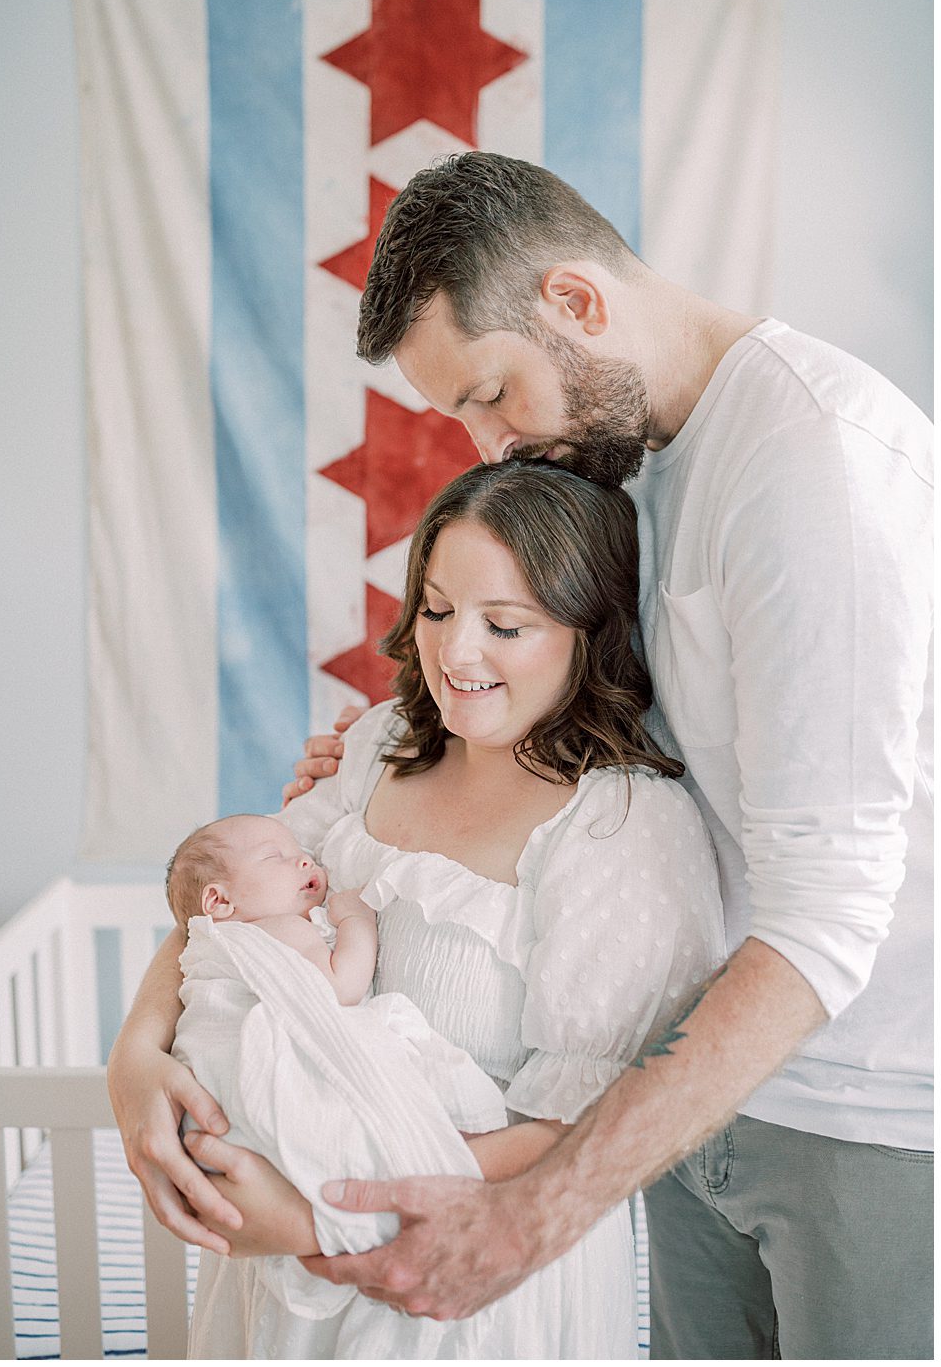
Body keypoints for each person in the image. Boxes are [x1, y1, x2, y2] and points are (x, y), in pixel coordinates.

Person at [274, 155, 933, 1359]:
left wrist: (536, 1211)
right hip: (685, 1091)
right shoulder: (628, 460)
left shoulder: (811, 464)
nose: (489, 442)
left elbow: (831, 909)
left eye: (492, 392)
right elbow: (595, 697)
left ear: (576, 303)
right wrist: (390, 753)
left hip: (866, 1108)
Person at [109, 460, 726, 1358]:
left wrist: (327, 1204)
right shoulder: (373, 751)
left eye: (505, 624)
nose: (455, 654)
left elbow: (579, 1123)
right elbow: (230, 918)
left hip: (467, 1273)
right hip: (283, 1257)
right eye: (435, 610)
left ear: (590, 631)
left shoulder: (620, 827)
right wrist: (134, 1052)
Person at [165, 813, 510, 1355]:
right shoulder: (275, 929)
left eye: (301, 850)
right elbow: (339, 988)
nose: (304, 859)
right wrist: (355, 921)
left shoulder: (231, 942)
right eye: (276, 857)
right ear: (219, 903)